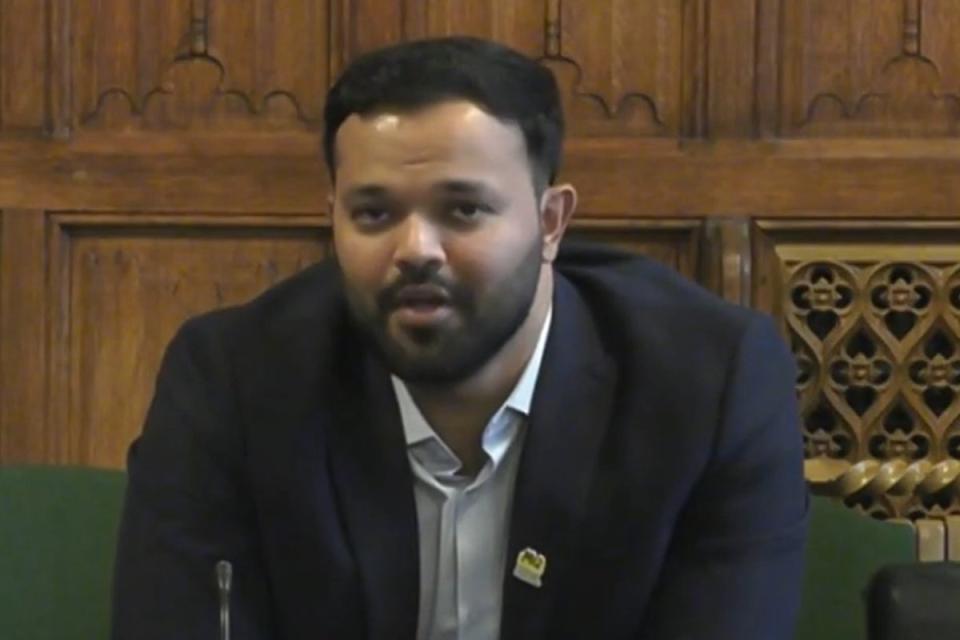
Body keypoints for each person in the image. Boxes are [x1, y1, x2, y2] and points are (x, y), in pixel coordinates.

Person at [112, 36, 808, 639]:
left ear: (551, 223)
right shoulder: (235, 378)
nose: (415, 249)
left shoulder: (709, 384)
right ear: (332, 219)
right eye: (374, 212)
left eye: (464, 209)